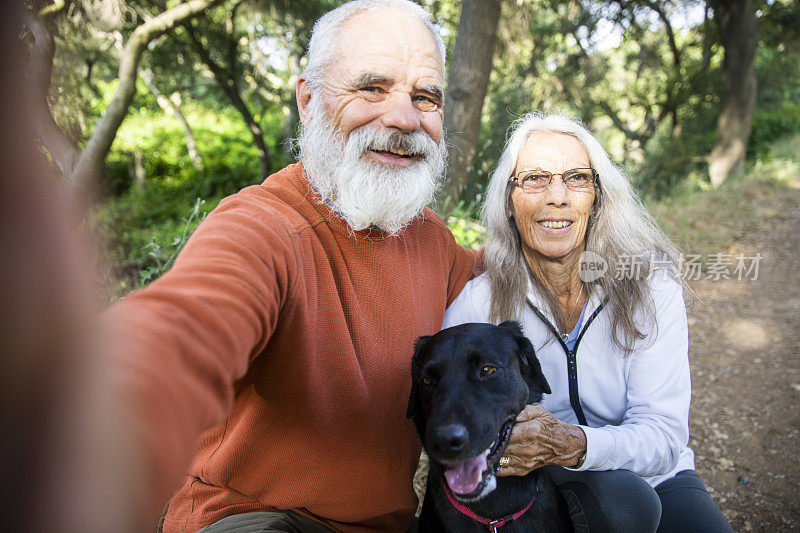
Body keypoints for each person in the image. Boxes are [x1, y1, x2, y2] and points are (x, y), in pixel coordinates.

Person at [104, 1, 479, 531]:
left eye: (425, 97)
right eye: (372, 88)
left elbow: (507, 271)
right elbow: (183, 329)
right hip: (259, 519)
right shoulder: (266, 225)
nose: (404, 118)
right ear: (308, 99)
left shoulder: (433, 240)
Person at [442, 112, 732, 532]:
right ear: (509, 200)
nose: (556, 197)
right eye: (535, 179)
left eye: (576, 178)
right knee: (621, 506)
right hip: (533, 482)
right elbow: (450, 413)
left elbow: (664, 437)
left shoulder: (650, 289)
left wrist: (576, 444)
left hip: (654, 475)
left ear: (597, 195)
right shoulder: (478, 304)